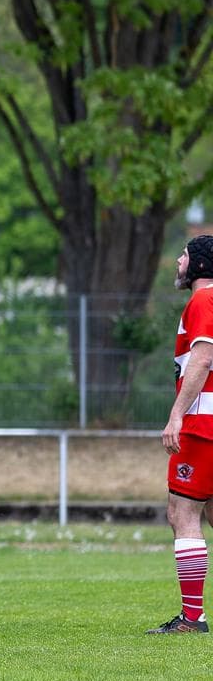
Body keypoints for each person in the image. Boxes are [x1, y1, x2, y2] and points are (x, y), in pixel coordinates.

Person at [151, 234, 213, 634]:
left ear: (201, 265)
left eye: (184, 255)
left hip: (203, 426)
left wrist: (176, 416)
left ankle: (192, 618)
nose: (178, 261)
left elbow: (204, 357)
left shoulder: (204, 300)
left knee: (183, 513)